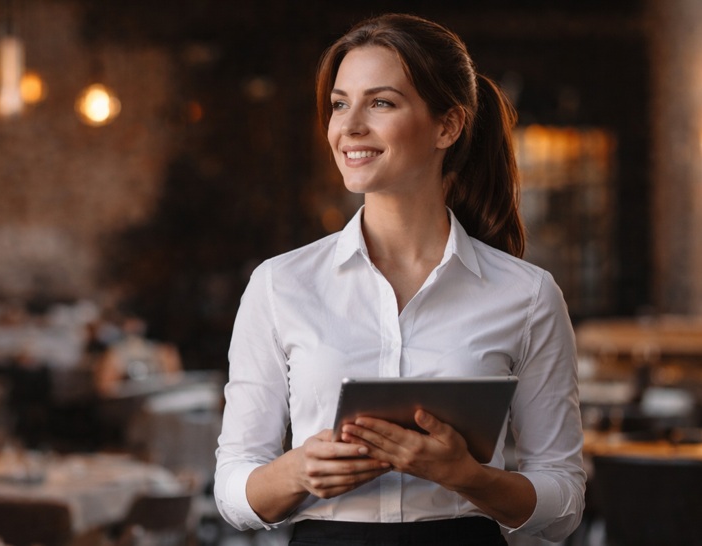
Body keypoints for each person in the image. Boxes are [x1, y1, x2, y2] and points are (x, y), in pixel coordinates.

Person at [214, 13, 586, 546]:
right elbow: (232, 490)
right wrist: (296, 472)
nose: (350, 126)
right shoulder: (279, 285)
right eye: (340, 103)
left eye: (381, 102)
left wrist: (469, 478)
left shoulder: (526, 295)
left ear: (447, 126)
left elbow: (565, 501)